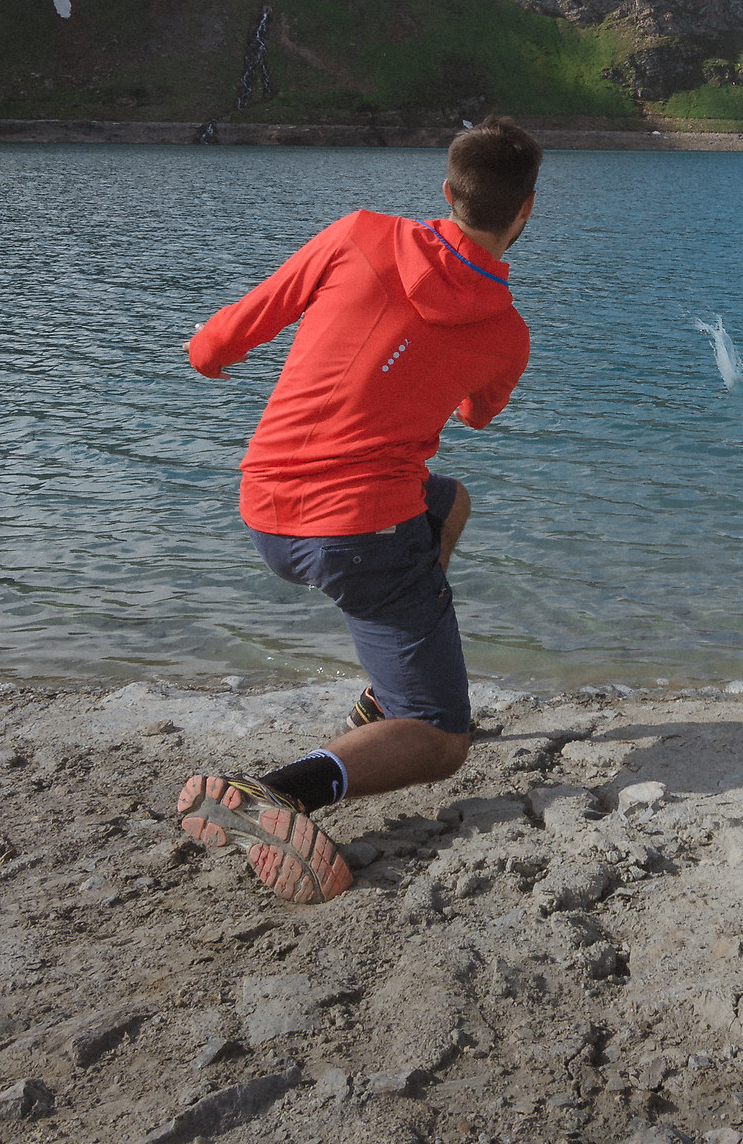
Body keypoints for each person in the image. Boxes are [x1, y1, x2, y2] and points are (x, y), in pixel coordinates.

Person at [173, 118, 541, 903]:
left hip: (266, 508)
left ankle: (383, 695)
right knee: (446, 740)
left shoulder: (357, 234)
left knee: (449, 501)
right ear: (525, 214)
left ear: (445, 192)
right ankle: (282, 792)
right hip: (360, 538)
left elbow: (213, 349)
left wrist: (211, 349)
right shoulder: (507, 334)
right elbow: (477, 415)